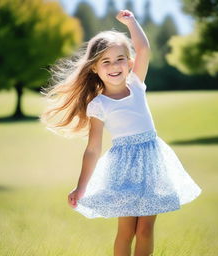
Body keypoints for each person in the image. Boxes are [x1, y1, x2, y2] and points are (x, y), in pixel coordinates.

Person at [40, 9, 202, 256]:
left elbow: (144, 49)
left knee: (146, 230)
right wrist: (80, 188)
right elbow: (93, 149)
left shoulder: (136, 84)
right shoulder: (98, 104)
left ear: (129, 62)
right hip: (123, 170)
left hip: (152, 163)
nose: (114, 66)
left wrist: (131, 22)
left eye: (120, 59)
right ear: (94, 68)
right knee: (127, 231)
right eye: (106, 61)